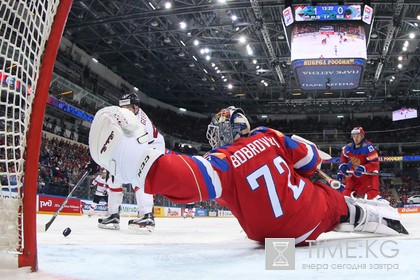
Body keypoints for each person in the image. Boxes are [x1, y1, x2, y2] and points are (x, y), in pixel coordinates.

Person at [89, 106, 407, 245]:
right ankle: (376, 217)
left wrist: (133, 158)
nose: (213, 139)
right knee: (333, 202)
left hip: (266, 236)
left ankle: (370, 210)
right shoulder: (269, 135)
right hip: (308, 217)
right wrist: (312, 176)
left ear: (226, 133)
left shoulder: (223, 160)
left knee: (326, 199)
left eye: (216, 133)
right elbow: (310, 156)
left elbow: (190, 180)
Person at [97, 93, 165, 232]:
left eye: (128, 108)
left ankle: (147, 215)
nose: (125, 110)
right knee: (114, 177)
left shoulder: (142, 122)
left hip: (152, 147)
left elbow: (140, 144)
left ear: (136, 108)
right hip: (134, 144)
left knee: (139, 178)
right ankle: (113, 215)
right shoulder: (121, 116)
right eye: (123, 107)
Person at [336, 127, 380, 199]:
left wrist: (363, 168)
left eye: (358, 136)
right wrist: (342, 169)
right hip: (354, 176)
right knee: (346, 194)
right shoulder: (348, 147)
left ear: (362, 136)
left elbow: (375, 164)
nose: (355, 139)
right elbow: (343, 157)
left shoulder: (369, 148)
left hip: (368, 177)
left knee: (371, 197)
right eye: (354, 136)